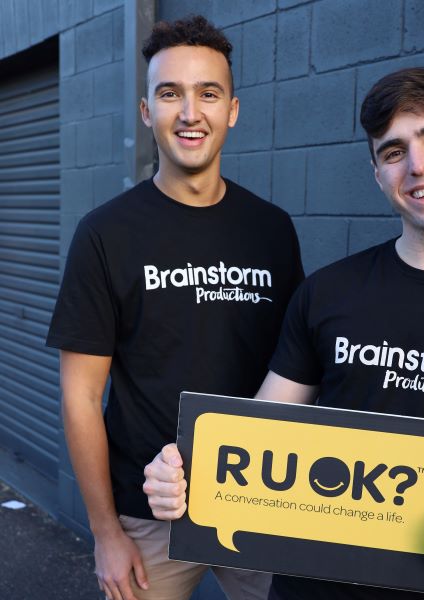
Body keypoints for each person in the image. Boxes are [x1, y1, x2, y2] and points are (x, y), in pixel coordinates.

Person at [143, 68, 424, 600]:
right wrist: (184, 475)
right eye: (393, 151)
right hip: (307, 587)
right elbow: (258, 430)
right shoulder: (327, 294)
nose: (419, 164)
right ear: (377, 172)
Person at [46, 15, 303, 600]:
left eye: (208, 93)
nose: (190, 112)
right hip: (147, 516)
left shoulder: (272, 230)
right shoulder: (105, 233)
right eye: (170, 94)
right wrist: (106, 531)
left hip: (257, 503)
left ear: (232, 110)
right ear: (146, 112)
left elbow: (294, 370)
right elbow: (81, 396)